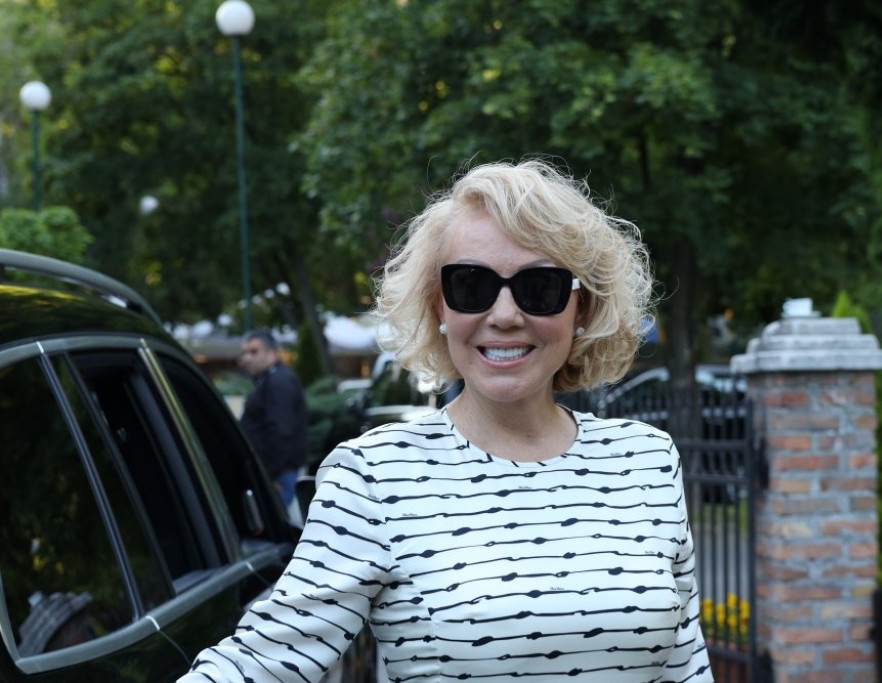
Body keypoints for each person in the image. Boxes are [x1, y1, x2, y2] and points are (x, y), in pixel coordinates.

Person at [179, 159, 712, 682]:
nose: (504, 315)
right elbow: (258, 664)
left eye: (540, 287)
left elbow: (686, 666)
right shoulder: (374, 476)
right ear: (438, 305)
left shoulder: (647, 459)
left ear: (583, 308)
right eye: (471, 285)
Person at [238, 328, 308, 509]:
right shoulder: (269, 379)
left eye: (254, 352)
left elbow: (282, 432)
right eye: (245, 352)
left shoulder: (279, 382)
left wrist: (268, 476)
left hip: (278, 477)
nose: (247, 358)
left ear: (272, 352)